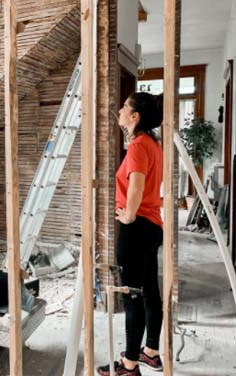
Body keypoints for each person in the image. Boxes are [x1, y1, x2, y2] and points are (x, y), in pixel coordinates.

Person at [97, 92, 165, 376]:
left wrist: (128, 214)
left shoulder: (138, 146)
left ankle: (129, 366)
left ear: (135, 116)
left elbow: (136, 185)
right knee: (149, 291)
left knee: (131, 295)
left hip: (136, 228)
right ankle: (150, 352)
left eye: (125, 107)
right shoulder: (152, 143)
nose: (120, 110)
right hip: (152, 226)